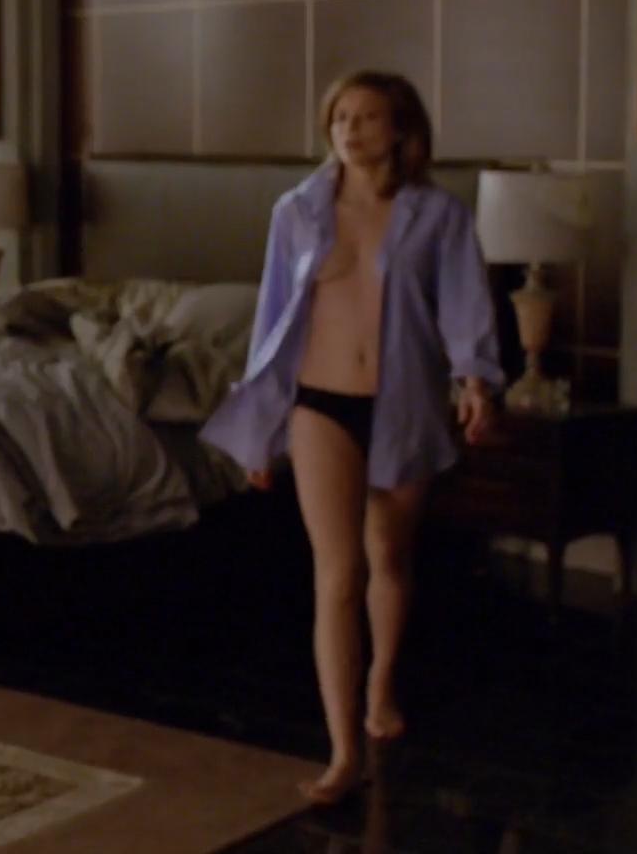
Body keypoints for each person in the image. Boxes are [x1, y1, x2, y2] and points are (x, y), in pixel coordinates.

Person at [200, 70, 502, 805]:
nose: (351, 130)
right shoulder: (297, 211)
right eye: (340, 118)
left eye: (368, 118)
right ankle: (342, 753)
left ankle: (380, 685)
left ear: (400, 130)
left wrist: (476, 382)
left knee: (388, 556)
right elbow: (271, 323)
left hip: (405, 403)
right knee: (337, 574)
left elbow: (465, 304)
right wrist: (261, 431)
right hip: (320, 405)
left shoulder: (438, 215)